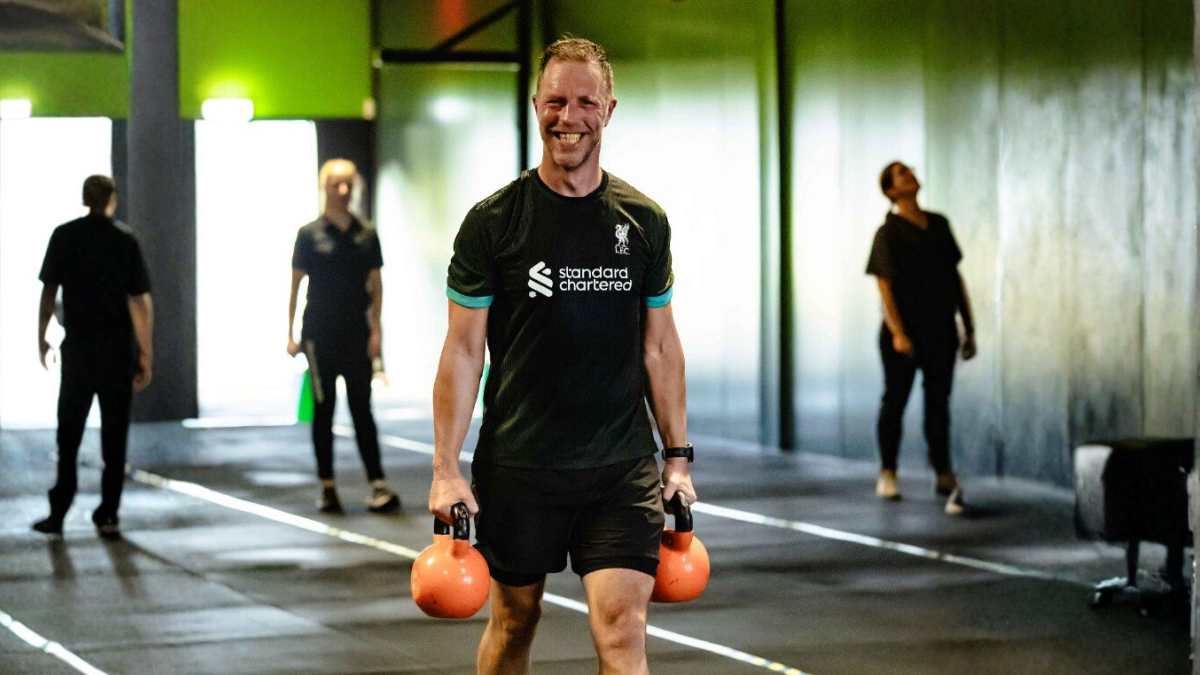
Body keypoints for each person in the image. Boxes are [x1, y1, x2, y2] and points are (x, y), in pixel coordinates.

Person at [430, 37, 695, 675]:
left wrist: (677, 457)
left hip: (619, 467)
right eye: (554, 101)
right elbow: (463, 350)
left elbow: (660, 346)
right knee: (515, 622)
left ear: (609, 110)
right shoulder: (493, 222)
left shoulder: (644, 222)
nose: (567, 117)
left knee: (623, 633)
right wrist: (445, 467)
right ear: (535, 105)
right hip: (520, 465)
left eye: (584, 103)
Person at [32, 175, 153, 540]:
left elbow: (49, 293)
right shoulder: (124, 240)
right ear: (111, 199)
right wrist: (146, 352)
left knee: (68, 435)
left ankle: (58, 512)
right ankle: (108, 514)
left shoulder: (64, 236)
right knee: (115, 438)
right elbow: (138, 301)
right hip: (116, 351)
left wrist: (42, 338)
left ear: (84, 198)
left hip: (79, 352)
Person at [288, 159, 400, 514]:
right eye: (335, 184)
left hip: (356, 333)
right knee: (323, 409)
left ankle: (377, 483)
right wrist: (291, 333)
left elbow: (377, 286)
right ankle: (327, 486)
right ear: (324, 187)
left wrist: (377, 330)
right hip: (318, 334)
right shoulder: (309, 234)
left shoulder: (366, 233)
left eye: (348, 184)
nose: (342, 190)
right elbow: (295, 285)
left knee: (361, 408)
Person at [866, 161, 977, 515]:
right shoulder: (888, 232)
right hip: (904, 333)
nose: (910, 175)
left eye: (910, 170)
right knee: (895, 401)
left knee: (938, 403)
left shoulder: (939, 224)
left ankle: (944, 474)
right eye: (901, 174)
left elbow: (954, 277)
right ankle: (888, 471)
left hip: (940, 330)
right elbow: (884, 286)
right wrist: (899, 333)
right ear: (890, 190)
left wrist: (968, 327)